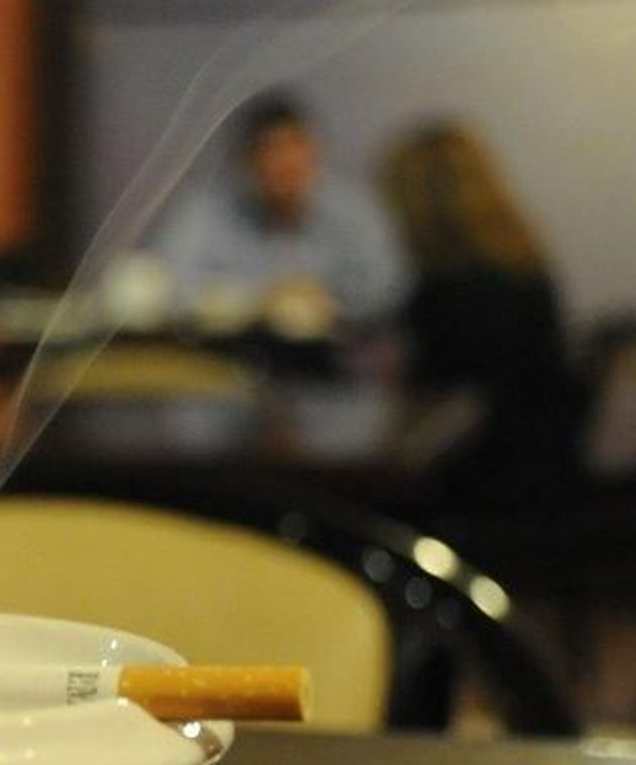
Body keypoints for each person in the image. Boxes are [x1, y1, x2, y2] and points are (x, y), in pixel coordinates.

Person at [384, 120, 589, 494]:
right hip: (550, 468)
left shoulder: (447, 290)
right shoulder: (524, 265)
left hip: (492, 486)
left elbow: (456, 402)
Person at [152, 93, 410, 336]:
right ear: (244, 160)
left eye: (296, 145)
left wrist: (328, 302)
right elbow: (168, 282)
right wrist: (259, 301)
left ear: (315, 151)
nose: (287, 162)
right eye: (271, 149)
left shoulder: (352, 210)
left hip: (335, 356)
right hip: (234, 352)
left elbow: (389, 285)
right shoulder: (209, 210)